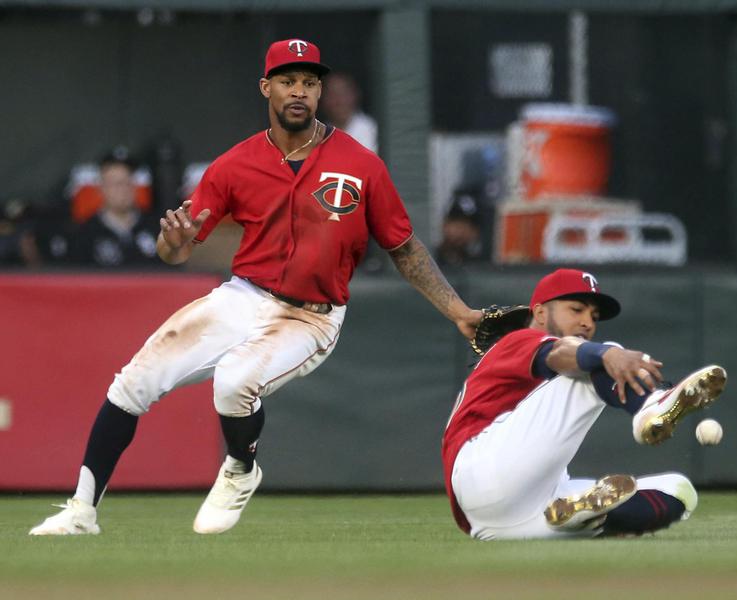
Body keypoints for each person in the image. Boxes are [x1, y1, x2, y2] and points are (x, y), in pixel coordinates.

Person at [30, 38, 482, 536]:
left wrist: (458, 310)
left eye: (310, 82)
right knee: (133, 382)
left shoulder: (361, 164)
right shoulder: (235, 164)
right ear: (267, 87)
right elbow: (177, 250)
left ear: (319, 92)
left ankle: (241, 469)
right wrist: (172, 244)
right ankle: (81, 511)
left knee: (233, 381)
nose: (299, 92)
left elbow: (404, 247)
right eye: (288, 81)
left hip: (312, 314)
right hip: (244, 295)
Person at [442, 268, 727, 540]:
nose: (588, 322)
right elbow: (562, 353)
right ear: (540, 312)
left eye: (593, 316)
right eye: (576, 309)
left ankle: (587, 516)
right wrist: (608, 354)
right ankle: (650, 406)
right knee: (599, 356)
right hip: (481, 467)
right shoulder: (519, 339)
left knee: (679, 490)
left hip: (498, 520)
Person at [70, 150, 162, 268]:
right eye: (115, 183)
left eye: (127, 182)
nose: (122, 189)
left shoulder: (157, 227)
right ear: (101, 188)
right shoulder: (85, 234)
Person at [319, 72, 378, 153]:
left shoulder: (373, 130)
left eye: (344, 94)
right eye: (332, 95)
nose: (339, 101)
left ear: (355, 94)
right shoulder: (316, 137)